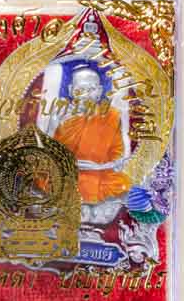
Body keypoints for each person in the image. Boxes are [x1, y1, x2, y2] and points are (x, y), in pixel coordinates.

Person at [53, 66, 131, 204]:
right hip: (66, 176)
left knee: (122, 185)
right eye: (80, 89)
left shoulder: (111, 117)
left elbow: (121, 157)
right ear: (71, 90)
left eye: (91, 89)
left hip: (101, 176)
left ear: (100, 91)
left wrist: (99, 167)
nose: (86, 95)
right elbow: (48, 152)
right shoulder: (59, 116)